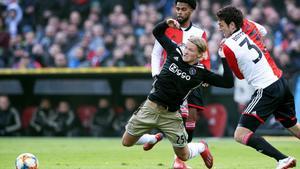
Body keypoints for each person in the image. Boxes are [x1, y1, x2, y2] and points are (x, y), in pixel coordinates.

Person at [122, 18, 234, 169]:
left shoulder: (201, 73)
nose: (186, 51)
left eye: (191, 50)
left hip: (171, 115)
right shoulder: (175, 51)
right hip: (150, 107)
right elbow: (157, 32)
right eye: (186, 48)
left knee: (184, 156)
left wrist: (223, 58)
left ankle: (201, 147)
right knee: (126, 142)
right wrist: (166, 23)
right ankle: (154, 138)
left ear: (200, 55)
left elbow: (228, 83)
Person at [216, 6, 300, 169]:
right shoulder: (249, 25)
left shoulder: (227, 47)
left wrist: (223, 54)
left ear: (232, 25)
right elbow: (263, 31)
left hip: (266, 88)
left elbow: (239, 76)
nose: (219, 27)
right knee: (292, 126)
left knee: (240, 134)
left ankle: (282, 159)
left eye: (222, 24)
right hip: (281, 80)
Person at [151, 0, 210, 167]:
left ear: (191, 10)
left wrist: (204, 76)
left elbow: (205, 57)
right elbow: (156, 53)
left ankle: (179, 158)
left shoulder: (199, 32)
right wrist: (156, 74)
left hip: (191, 79)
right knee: (175, 116)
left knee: (191, 119)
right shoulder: (167, 29)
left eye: (183, 9)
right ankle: (160, 141)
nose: (179, 12)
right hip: (170, 79)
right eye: (177, 8)